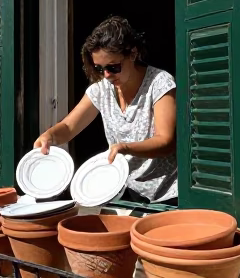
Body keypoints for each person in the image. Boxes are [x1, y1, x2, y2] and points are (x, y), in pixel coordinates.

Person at [35, 16, 178, 204]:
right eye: (100, 68)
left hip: (165, 195)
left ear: (133, 54)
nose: (107, 75)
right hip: (123, 191)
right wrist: (49, 136)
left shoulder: (160, 83)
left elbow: (166, 141)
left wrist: (126, 148)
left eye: (113, 67)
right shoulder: (101, 90)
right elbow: (69, 127)